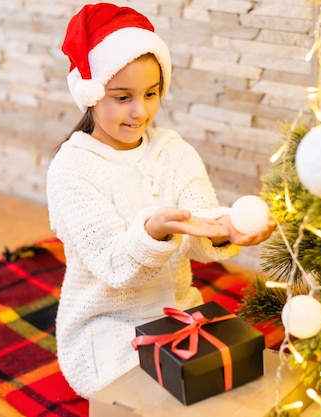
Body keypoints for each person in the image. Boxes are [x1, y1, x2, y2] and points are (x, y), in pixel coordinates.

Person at [46, 2, 276, 398]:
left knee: (230, 382)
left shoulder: (174, 151)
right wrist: (153, 232)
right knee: (154, 396)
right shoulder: (72, 169)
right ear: (92, 93)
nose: (141, 111)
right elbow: (115, 265)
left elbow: (199, 229)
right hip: (106, 327)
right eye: (122, 98)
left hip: (179, 315)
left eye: (151, 94)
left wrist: (224, 232)